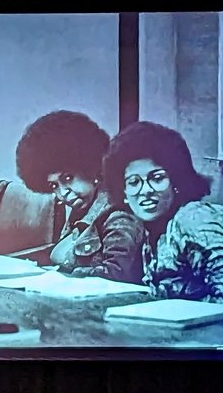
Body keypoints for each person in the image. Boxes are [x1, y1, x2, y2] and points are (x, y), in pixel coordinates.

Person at [101, 121, 223, 302]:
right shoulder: (150, 233)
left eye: (157, 178)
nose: (145, 190)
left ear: (176, 181)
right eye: (134, 182)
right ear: (123, 193)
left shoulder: (192, 219)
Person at [16, 110, 145, 282]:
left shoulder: (119, 215)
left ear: (91, 167)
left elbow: (117, 274)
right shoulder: (80, 214)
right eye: (54, 185)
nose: (63, 193)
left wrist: (58, 277)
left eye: (68, 178)